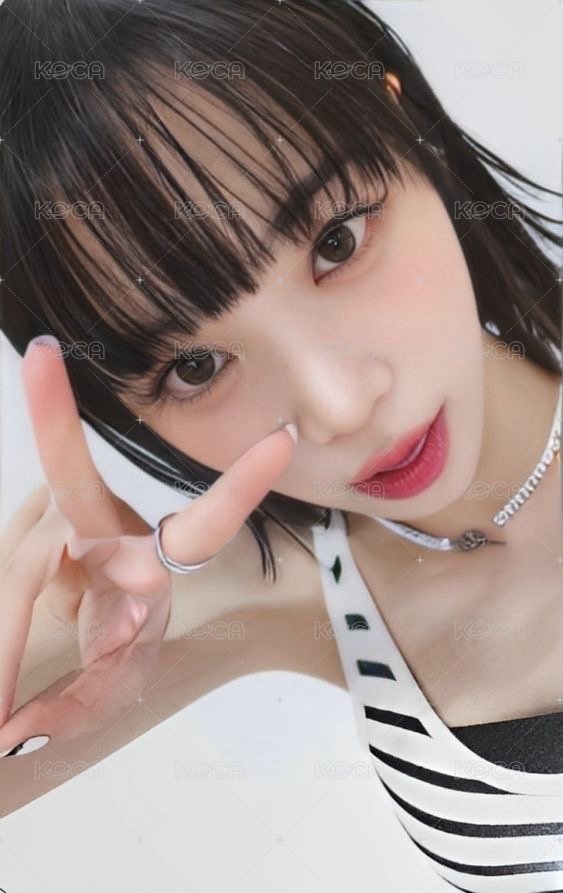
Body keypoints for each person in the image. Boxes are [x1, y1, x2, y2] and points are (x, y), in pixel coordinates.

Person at [0, 1, 562, 889]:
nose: (339, 407)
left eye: (337, 242)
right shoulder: (278, 594)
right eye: (194, 366)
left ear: (397, 118)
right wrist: (42, 644)